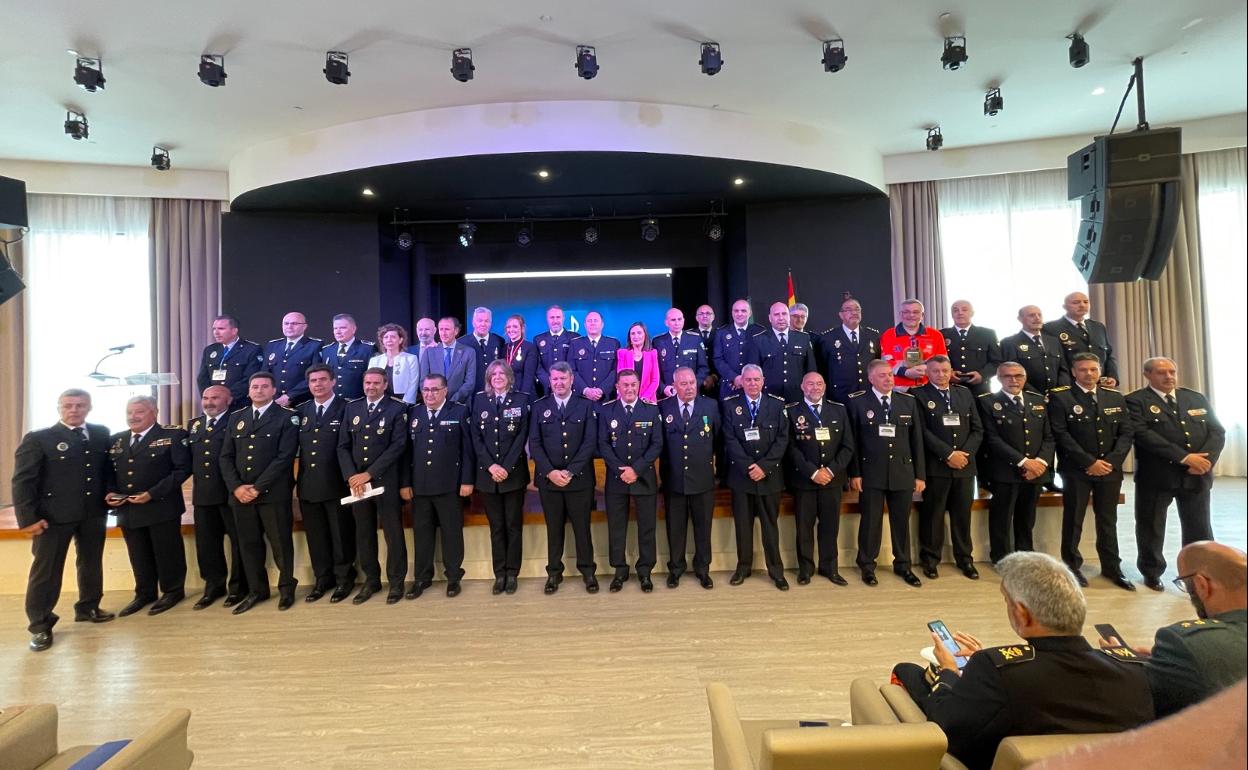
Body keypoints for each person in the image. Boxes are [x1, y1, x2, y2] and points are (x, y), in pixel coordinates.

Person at [891, 551, 1153, 770]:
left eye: (1006, 601)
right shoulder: (1135, 671)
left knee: (907, 672)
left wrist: (949, 671)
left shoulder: (997, 671)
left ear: (1021, 614)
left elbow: (945, 724)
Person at [12, 389, 114, 652]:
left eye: (80, 405)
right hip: (52, 517)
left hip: (92, 513)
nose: (74, 410)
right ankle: (40, 625)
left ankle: (89, 606)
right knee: (46, 572)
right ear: (59, 408)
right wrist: (28, 518)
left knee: (91, 562)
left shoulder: (101, 434)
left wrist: (111, 494)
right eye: (68, 405)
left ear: (89, 407)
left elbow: (107, 471)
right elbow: (23, 481)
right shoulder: (39, 438)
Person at [1099, 541, 1246, 718]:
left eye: (1185, 584)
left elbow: (1138, 700)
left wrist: (1121, 662)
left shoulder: (1185, 642)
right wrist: (1167, 662)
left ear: (1201, 585)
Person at [1125, 358, 1226, 590]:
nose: (1169, 376)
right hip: (1158, 476)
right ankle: (1152, 572)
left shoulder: (1195, 398)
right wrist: (1185, 457)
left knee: (1199, 526)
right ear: (1147, 374)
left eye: (1172, 372)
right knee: (1151, 526)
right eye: (1162, 372)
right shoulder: (1135, 401)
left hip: (1196, 474)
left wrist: (1205, 461)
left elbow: (1217, 431)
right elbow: (1143, 434)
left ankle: (1197, 571)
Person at [1048, 353, 1135, 590]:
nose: (1089, 374)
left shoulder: (1114, 397)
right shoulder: (1061, 398)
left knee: (1108, 519)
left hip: (1109, 469)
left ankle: (1111, 567)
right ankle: (1072, 566)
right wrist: (1089, 462)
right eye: (1083, 369)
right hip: (1076, 469)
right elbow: (1061, 434)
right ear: (1073, 372)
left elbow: (1126, 432)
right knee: (1073, 519)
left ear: (1100, 371)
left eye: (1093, 369)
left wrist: (1111, 462)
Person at [219, 372, 300, 614]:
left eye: (265, 386)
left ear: (274, 391)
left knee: (281, 544)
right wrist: (237, 487)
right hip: (241, 495)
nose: (259, 390)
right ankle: (257, 590)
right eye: (255, 387)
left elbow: (284, 457)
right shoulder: (237, 417)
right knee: (249, 545)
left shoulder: (287, 417)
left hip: (272, 493)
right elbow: (225, 456)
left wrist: (257, 487)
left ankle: (286, 589)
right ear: (248, 391)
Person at [106, 396, 191, 617]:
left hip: (161, 506)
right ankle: (144, 593)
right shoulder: (116, 440)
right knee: (138, 554)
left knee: (167, 552)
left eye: (139, 411)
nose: (133, 416)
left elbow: (182, 470)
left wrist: (152, 493)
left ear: (154, 412)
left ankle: (173, 591)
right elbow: (108, 473)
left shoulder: (173, 436)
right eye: (129, 412)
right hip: (128, 508)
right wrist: (110, 492)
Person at [847, 359, 925, 587]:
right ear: (871, 378)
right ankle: (867, 566)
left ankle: (903, 565)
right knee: (870, 522)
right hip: (871, 472)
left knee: (901, 522)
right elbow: (852, 442)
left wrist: (920, 475)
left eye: (890, 374)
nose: (888, 379)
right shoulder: (858, 402)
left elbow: (917, 441)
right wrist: (855, 473)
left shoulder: (907, 401)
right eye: (882, 375)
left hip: (902, 471)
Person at [337, 368, 409, 604]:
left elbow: (398, 446)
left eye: (376, 383)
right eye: (367, 383)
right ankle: (371, 580)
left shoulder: (397, 408)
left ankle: (396, 582)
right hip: (357, 483)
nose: (371, 387)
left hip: (385, 480)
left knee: (393, 533)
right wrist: (352, 476)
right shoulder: (352, 408)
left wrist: (369, 474)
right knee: (364, 532)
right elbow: (343, 446)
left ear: (385, 385)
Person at [401, 373, 475, 598]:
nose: (429, 394)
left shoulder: (459, 411)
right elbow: (406, 453)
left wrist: (467, 480)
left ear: (445, 391)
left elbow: (468, 450)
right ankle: (422, 578)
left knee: (452, 534)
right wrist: (405, 483)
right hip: (420, 487)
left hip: (449, 486)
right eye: (426, 390)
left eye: (434, 389)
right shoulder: (413, 413)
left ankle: (453, 577)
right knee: (422, 534)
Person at [529, 361, 600, 594]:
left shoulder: (585, 405)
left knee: (582, 528)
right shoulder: (539, 407)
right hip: (549, 481)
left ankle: (588, 572)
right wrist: (550, 472)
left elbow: (590, 442)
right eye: (555, 379)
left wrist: (570, 472)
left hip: (579, 480)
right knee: (554, 529)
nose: (559, 383)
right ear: (550, 381)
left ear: (571, 380)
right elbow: (535, 444)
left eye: (563, 378)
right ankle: (553, 573)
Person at [912, 356, 983, 580]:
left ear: (951, 371)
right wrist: (948, 454)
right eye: (935, 371)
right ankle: (930, 560)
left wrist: (964, 455)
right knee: (932, 516)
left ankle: (965, 559)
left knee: (962, 516)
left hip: (964, 467)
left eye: (945, 370)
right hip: (937, 466)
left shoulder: (965, 393)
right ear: (927, 373)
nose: (941, 375)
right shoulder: (918, 395)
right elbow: (922, 432)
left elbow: (977, 429)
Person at [722, 364, 791, 590]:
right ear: (741, 382)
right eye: (748, 380)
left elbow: (782, 439)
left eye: (756, 379)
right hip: (742, 477)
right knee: (743, 526)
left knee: (770, 526)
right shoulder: (731, 405)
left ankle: (776, 571)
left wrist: (763, 466)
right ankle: (743, 568)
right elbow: (729, 439)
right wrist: (749, 466)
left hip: (769, 476)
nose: (752, 383)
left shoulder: (777, 404)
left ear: (763, 381)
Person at [977, 362, 1055, 564]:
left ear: (1025, 378)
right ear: (998, 378)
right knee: (1001, 519)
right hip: (1005, 471)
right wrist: (1023, 462)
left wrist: (1039, 463)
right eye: (1007, 376)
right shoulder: (987, 402)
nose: (1013, 380)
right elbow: (992, 439)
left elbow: (1049, 437)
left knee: (1027, 518)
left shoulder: (1037, 400)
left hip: (1035, 471)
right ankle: (1002, 559)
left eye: (1018, 375)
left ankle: (1025, 556)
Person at [294, 364, 357, 603]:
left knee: (341, 534)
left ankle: (344, 578)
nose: (318, 384)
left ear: (333, 381)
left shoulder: (347, 408)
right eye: (313, 381)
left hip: (337, 482)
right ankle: (323, 578)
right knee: (316, 536)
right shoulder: (301, 411)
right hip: (309, 483)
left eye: (322, 379)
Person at [468, 360, 531, 595]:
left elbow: (521, 436)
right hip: (488, 476)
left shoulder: (521, 400)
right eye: (493, 374)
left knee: (513, 525)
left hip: (513, 474)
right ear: (488, 378)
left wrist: (505, 466)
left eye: (501, 373)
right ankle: (500, 573)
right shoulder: (479, 400)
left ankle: (512, 573)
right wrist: (491, 466)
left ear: (509, 377)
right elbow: (476, 437)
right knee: (496, 527)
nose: (497, 377)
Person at [785, 372, 854, 586]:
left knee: (830, 527)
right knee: (804, 527)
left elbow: (848, 446)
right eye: (810, 384)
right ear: (802, 386)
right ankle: (805, 569)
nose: (815, 387)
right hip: (804, 480)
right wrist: (813, 472)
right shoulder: (792, 411)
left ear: (825, 386)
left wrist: (831, 471)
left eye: (819, 383)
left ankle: (829, 568)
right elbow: (791, 448)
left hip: (832, 481)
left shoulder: (839, 409)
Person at [597, 369, 664, 592]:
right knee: (617, 527)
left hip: (643, 478)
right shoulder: (607, 410)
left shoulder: (651, 410)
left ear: (638, 385)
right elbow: (603, 444)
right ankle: (619, 570)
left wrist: (636, 470)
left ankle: (645, 572)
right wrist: (621, 470)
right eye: (625, 385)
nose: (629, 388)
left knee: (647, 527)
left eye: (633, 384)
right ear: (617, 387)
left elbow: (657, 443)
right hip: (617, 480)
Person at [187, 384, 249, 610]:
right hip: (203, 495)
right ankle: (213, 586)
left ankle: (239, 587)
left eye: (215, 398)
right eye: (206, 398)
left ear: (229, 400)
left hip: (230, 493)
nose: (209, 402)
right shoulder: (194, 425)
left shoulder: (237, 421)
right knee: (207, 545)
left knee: (239, 543)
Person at [658, 366, 720, 589]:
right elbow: (659, 443)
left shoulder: (710, 406)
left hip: (702, 480)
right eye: (683, 384)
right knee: (675, 529)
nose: (689, 387)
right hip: (674, 480)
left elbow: (718, 440)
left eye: (692, 382)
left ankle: (703, 569)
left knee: (703, 528)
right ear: (674, 386)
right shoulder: (663, 407)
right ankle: (676, 569)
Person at [746, 301, 817, 403]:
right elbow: (753, 373)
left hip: (797, 397)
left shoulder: (803, 338)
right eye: (776, 314)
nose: (781, 318)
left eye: (784, 314)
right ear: (770, 318)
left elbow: (811, 370)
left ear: (789, 317)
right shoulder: (759, 340)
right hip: (769, 398)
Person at [1044, 291, 1119, 387]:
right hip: (1070, 385)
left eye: (1086, 302)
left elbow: (1108, 354)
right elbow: (1052, 362)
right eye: (1076, 302)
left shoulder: (1097, 326)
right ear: (1064, 307)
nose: (1082, 305)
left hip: (1099, 385)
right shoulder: (1051, 328)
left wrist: (1112, 376)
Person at [819, 296, 881, 405]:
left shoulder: (872, 335)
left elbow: (877, 362)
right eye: (849, 310)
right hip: (840, 396)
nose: (854, 312)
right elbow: (822, 368)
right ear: (841, 315)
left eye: (857, 309)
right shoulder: (828, 338)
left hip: (868, 394)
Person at [196, 314, 264, 411]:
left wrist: (226, 397)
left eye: (221, 329)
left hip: (237, 404)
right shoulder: (210, 350)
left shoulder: (251, 349)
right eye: (214, 329)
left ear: (234, 331)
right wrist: (209, 397)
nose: (216, 332)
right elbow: (202, 378)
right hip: (213, 406)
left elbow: (250, 379)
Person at [879, 298, 947, 390]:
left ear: (922, 315)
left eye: (916, 312)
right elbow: (885, 362)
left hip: (929, 388)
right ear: (901, 314)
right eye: (906, 312)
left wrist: (926, 368)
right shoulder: (888, 335)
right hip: (899, 390)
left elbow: (943, 361)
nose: (911, 315)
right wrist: (905, 372)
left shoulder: (935, 335)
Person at [1000, 306, 1068, 396]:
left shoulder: (1053, 341)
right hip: (1029, 396)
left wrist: (1059, 391)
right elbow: (1013, 373)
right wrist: (1036, 395)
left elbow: (1063, 369)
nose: (1037, 318)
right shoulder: (1010, 342)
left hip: (1057, 396)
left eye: (1039, 315)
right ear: (1020, 319)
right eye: (1032, 315)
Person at [940, 300, 1001, 397]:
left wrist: (982, 375)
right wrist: (948, 373)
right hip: (950, 388)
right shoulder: (941, 334)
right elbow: (936, 361)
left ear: (972, 313)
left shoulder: (987, 334)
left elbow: (997, 361)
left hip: (980, 389)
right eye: (955, 310)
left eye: (964, 310)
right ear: (951, 314)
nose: (960, 313)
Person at [263, 311, 323, 408]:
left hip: (302, 402)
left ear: (304, 326)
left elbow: (314, 377)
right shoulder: (273, 345)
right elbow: (265, 374)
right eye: (286, 323)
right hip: (275, 401)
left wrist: (290, 396)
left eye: (294, 323)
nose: (289, 326)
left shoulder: (314, 346)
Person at [410, 316, 475, 404]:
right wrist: (435, 399)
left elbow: (469, 383)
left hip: (460, 404)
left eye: (447, 329)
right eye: (441, 329)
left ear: (456, 331)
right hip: (435, 404)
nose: (443, 333)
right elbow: (423, 382)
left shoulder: (468, 352)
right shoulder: (429, 353)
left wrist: (452, 401)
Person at [713, 298, 765, 399]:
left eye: (743, 311)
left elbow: (764, 359)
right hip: (729, 385)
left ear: (750, 313)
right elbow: (718, 359)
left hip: (754, 386)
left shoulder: (760, 332)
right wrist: (734, 377)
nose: (739, 314)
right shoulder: (721, 332)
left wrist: (749, 378)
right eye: (736, 311)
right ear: (732, 313)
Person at [653, 307, 710, 398]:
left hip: (691, 393)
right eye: (673, 320)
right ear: (666, 322)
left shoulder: (695, 339)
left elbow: (703, 368)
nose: (677, 323)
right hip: (668, 394)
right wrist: (663, 388)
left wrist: (693, 385)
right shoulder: (658, 342)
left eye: (679, 319)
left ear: (683, 320)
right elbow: (654, 370)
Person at [568, 310, 620, 402]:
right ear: (585, 325)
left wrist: (602, 390)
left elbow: (616, 370)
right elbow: (571, 370)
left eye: (595, 320)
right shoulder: (575, 344)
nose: (592, 323)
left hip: (606, 398)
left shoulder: (613, 343)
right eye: (589, 321)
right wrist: (585, 390)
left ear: (602, 324)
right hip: (581, 398)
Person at [320, 313, 374, 400]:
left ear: (353, 329)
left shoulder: (367, 349)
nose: (338, 332)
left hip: (358, 401)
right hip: (333, 402)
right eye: (335, 328)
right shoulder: (327, 350)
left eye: (342, 328)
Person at [534, 305, 580, 394]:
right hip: (547, 389)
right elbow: (537, 365)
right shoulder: (538, 339)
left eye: (558, 317)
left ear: (563, 318)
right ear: (547, 319)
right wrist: (549, 382)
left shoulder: (574, 338)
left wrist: (565, 381)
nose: (555, 321)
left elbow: (577, 365)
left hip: (570, 388)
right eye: (552, 317)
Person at [368, 323, 420, 400]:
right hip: (380, 400)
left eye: (393, 337)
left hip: (403, 400)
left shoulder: (411, 359)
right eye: (386, 337)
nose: (389, 340)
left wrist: (406, 403)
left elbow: (413, 384)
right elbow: (370, 382)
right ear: (382, 341)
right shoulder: (374, 361)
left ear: (400, 340)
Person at [459, 306, 506, 392]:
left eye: (487, 321)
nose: (483, 324)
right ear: (473, 323)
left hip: (495, 391)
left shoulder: (499, 341)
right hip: (471, 393)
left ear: (491, 323)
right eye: (480, 321)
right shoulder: (462, 343)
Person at [616, 321, 661, 402]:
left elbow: (655, 380)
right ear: (629, 337)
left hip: (648, 399)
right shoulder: (622, 353)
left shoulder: (652, 353)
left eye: (639, 333)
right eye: (633, 334)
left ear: (645, 335)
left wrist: (645, 397)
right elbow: (621, 379)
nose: (636, 336)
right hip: (627, 399)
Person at [502, 314, 539, 395]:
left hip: (522, 392)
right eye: (508, 327)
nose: (511, 330)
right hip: (506, 392)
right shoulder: (504, 348)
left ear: (522, 328)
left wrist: (523, 395)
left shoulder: (530, 347)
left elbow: (528, 376)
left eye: (515, 327)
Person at [789, 302, 826, 374]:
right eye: (795, 316)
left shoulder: (815, 339)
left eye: (803, 317)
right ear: (789, 317)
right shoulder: (783, 338)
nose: (799, 319)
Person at [694, 304, 719, 396]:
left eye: (708, 313)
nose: (705, 316)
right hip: (695, 383)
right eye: (701, 313)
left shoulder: (721, 334)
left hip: (718, 383)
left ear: (713, 317)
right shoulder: (689, 335)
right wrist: (699, 379)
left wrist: (714, 377)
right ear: (696, 317)